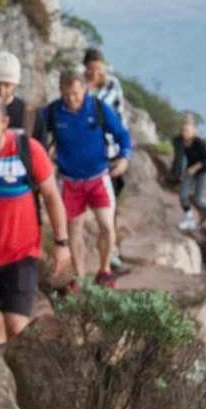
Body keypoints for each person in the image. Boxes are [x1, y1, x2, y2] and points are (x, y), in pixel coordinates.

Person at [0, 93, 69, 343]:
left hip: (20, 255)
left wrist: (62, 243)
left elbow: (52, 196)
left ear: (5, 123)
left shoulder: (28, 150)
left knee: (17, 326)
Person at [42, 66, 131, 286]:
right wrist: (44, 155)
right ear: (60, 90)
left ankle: (104, 270)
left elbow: (122, 134)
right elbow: (36, 135)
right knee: (74, 229)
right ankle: (79, 278)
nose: (72, 98)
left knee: (107, 226)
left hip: (98, 177)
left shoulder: (99, 108)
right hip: (69, 181)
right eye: (67, 94)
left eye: (76, 93)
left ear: (85, 89)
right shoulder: (53, 112)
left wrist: (124, 158)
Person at [82, 47, 129, 267]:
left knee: (110, 204)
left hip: (111, 153)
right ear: (85, 68)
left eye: (99, 69)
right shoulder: (79, 86)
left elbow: (119, 119)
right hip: (87, 155)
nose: (96, 74)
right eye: (91, 69)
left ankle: (111, 251)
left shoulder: (113, 85)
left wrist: (123, 154)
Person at [171, 115, 206, 231]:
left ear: (194, 132)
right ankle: (189, 220)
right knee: (183, 195)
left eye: (188, 131)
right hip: (190, 171)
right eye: (183, 130)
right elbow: (178, 157)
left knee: (198, 199)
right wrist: (177, 172)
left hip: (203, 172)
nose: (185, 133)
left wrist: (194, 168)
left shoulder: (198, 142)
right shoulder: (179, 141)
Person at [0, 49, 39, 139]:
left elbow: (41, 150)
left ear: (15, 85)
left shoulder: (30, 114)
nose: (1, 91)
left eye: (7, 85)